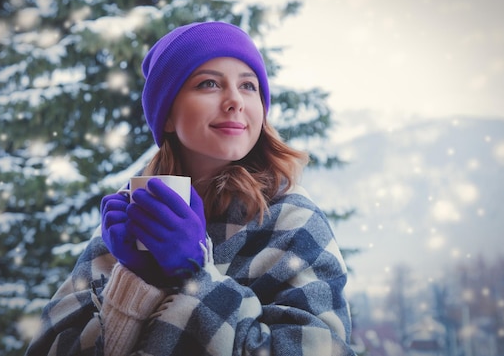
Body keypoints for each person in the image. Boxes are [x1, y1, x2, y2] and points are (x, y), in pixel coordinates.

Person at [25, 21, 355, 355]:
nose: (235, 101)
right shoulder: (134, 215)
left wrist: (195, 276)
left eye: (248, 86)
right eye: (209, 83)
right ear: (167, 114)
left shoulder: (293, 221)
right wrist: (133, 282)